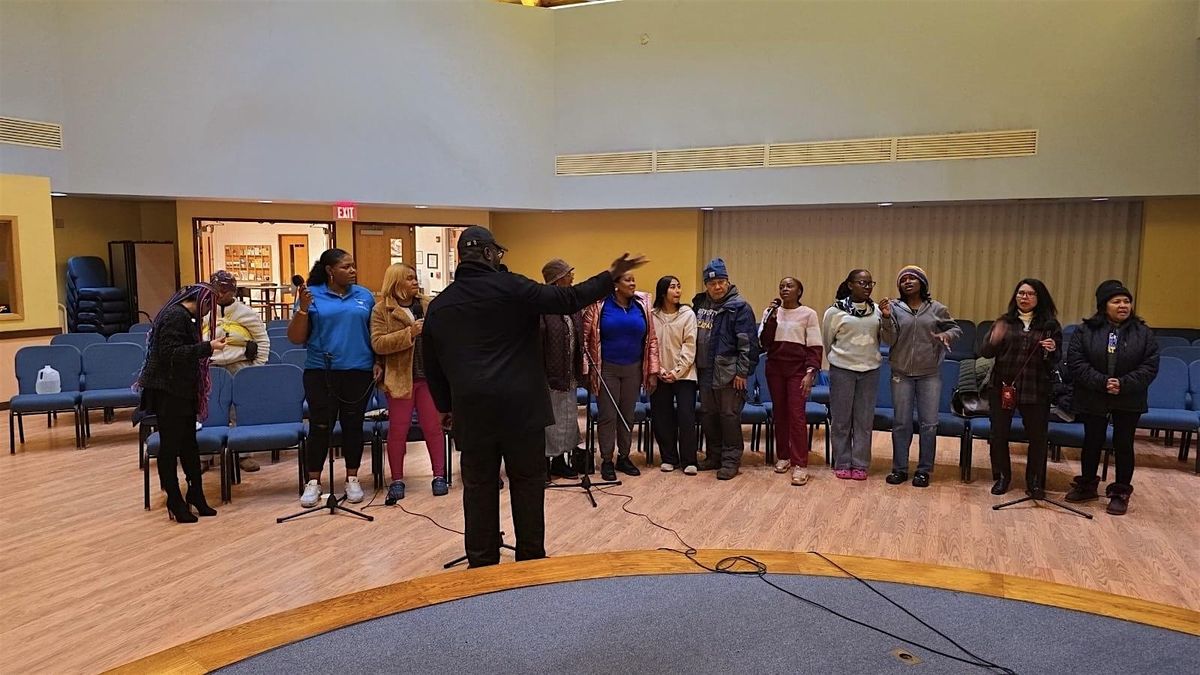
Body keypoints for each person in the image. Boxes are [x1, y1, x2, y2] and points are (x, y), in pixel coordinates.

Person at [423, 226, 646, 568]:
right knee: (527, 485)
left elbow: (432, 362)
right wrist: (610, 276)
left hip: (473, 410)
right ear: (488, 254)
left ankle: (482, 564)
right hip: (522, 409)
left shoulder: (441, 305)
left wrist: (444, 406)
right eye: (497, 252)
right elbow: (568, 299)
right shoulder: (514, 287)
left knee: (479, 488)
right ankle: (530, 563)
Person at [287, 248, 380, 508]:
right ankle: (313, 482)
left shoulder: (364, 295)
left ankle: (352, 478)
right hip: (321, 371)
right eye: (346, 267)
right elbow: (295, 337)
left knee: (353, 425)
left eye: (353, 266)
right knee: (320, 426)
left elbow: (374, 333)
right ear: (330, 270)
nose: (353, 270)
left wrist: (378, 361)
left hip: (358, 370)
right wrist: (303, 309)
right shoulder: (311, 295)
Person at [1064, 280, 1159, 515]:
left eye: (1127, 301)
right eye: (1116, 301)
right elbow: (1076, 362)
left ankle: (1120, 493)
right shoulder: (1085, 331)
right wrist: (1102, 382)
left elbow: (1150, 366)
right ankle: (1087, 485)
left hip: (1129, 397)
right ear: (1103, 305)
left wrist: (1123, 384)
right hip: (1093, 395)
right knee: (1092, 441)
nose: (1123, 305)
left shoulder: (1144, 333)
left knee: (1123, 444)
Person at [136, 283, 227, 523]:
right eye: (209, 307)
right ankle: (174, 499)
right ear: (201, 302)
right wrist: (208, 347)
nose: (209, 313)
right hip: (168, 392)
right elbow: (171, 353)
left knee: (189, 445)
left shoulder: (184, 316)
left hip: (181, 390)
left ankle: (195, 494)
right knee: (171, 446)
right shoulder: (175, 316)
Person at [371, 262, 447, 503]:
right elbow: (378, 343)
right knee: (398, 430)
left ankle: (439, 476)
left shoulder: (428, 305)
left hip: (428, 378)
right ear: (396, 281)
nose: (415, 282)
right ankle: (397, 480)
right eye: (409, 278)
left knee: (433, 428)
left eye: (415, 278)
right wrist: (409, 333)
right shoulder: (381, 310)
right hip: (400, 379)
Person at [978, 279, 1062, 497]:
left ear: (1039, 298)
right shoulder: (1004, 322)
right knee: (998, 434)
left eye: (1030, 294)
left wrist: (1052, 349)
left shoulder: (1049, 325)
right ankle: (1002, 477)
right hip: (1003, 386)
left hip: (1036, 387)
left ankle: (1034, 481)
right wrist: (993, 339)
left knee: (1037, 437)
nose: (1024, 297)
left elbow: (1056, 360)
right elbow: (985, 352)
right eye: (1021, 293)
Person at [880, 265, 961, 488]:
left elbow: (956, 329)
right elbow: (889, 339)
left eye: (912, 278)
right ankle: (899, 469)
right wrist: (886, 317)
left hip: (929, 374)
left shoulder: (937, 308)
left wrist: (946, 335)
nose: (907, 282)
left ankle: (924, 470)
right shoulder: (894, 308)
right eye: (903, 279)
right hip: (901, 373)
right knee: (901, 423)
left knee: (929, 424)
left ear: (922, 283)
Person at [582, 271, 659, 481]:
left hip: (634, 368)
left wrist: (652, 371)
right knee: (608, 416)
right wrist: (587, 370)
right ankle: (607, 459)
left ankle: (624, 457)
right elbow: (586, 339)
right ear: (616, 285)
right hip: (607, 368)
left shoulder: (642, 305)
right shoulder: (600, 305)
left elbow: (651, 339)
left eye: (634, 279)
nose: (633, 283)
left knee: (627, 415)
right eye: (628, 280)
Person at [692, 258, 760, 480]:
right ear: (706, 285)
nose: (717, 287)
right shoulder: (699, 305)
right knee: (708, 415)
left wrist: (742, 372)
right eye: (712, 283)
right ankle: (714, 456)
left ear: (728, 282)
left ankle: (731, 461)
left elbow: (748, 344)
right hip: (704, 371)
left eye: (721, 282)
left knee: (729, 416)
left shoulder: (740, 307)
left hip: (730, 373)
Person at [204, 270, 270, 472]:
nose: (220, 294)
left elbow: (262, 340)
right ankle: (204, 455)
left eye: (225, 290)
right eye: (217, 290)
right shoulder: (204, 311)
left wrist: (255, 369)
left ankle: (244, 454)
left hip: (239, 366)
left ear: (233, 291)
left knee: (240, 412)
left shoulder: (246, 312)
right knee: (208, 411)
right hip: (212, 367)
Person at [760, 276, 823, 486]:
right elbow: (764, 342)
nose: (784, 289)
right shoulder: (771, 312)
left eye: (789, 286)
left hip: (798, 370)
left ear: (799, 291)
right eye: (781, 286)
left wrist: (810, 372)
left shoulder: (808, 314)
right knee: (779, 413)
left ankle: (800, 464)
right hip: (775, 368)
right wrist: (771, 319)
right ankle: (784, 456)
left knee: (797, 415)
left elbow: (814, 345)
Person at [822, 269, 883, 481]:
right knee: (841, 419)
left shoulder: (877, 311)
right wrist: (839, 359)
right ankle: (842, 462)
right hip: (842, 370)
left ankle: (860, 464)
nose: (867, 287)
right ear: (850, 285)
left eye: (870, 283)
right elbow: (828, 341)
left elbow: (881, 338)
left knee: (864, 421)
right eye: (862, 283)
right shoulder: (834, 312)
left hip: (870, 371)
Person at [538, 259, 584, 481]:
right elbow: (538, 341)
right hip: (549, 376)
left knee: (567, 420)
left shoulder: (570, 305)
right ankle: (543, 465)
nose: (572, 277)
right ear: (557, 279)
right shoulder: (543, 307)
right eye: (568, 274)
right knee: (550, 422)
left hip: (569, 374)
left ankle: (559, 461)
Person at [650, 275, 698, 475]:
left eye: (679, 287)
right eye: (672, 287)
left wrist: (677, 371)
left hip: (685, 375)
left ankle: (689, 460)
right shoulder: (652, 315)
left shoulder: (688, 314)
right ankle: (669, 458)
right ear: (663, 292)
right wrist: (659, 369)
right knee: (662, 417)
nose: (677, 291)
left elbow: (690, 344)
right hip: (659, 374)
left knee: (686, 416)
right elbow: (650, 344)